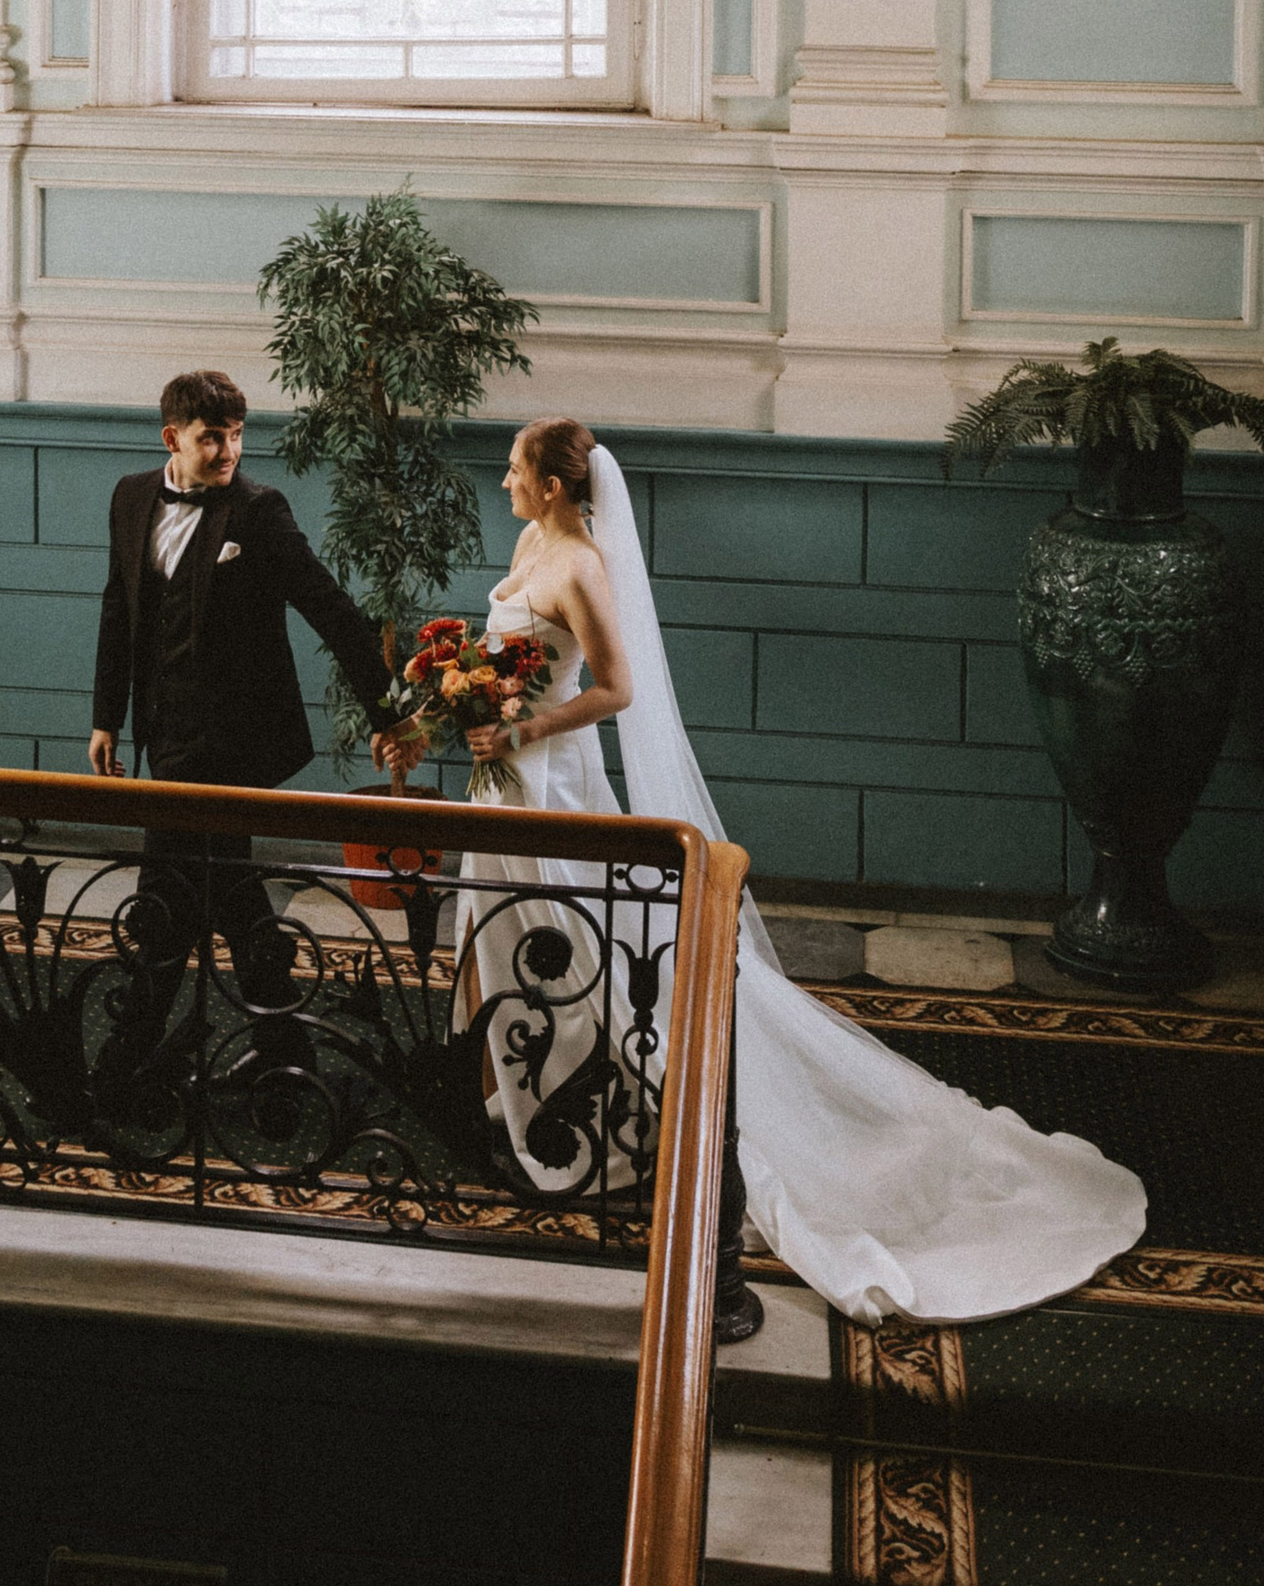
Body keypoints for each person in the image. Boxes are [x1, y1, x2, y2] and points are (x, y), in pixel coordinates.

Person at [443, 415, 1149, 1324]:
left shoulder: (580, 565)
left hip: (547, 771)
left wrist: (527, 726)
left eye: (513, 472)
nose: (503, 481)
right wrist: (467, 691)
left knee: (576, 931)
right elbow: (506, 651)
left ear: (551, 485)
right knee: (504, 919)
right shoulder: (532, 536)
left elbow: (615, 688)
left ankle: (612, 1102)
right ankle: (519, 1088)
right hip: (501, 768)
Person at [89, 369, 411, 1016]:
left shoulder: (260, 512)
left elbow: (333, 610)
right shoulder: (130, 498)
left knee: (167, 888)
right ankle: (277, 1044)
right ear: (171, 438)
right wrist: (107, 719)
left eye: (236, 436)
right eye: (212, 438)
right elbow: (118, 610)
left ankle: (133, 1054)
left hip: (233, 741)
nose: (229, 452)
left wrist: (392, 713)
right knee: (223, 887)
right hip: (164, 733)